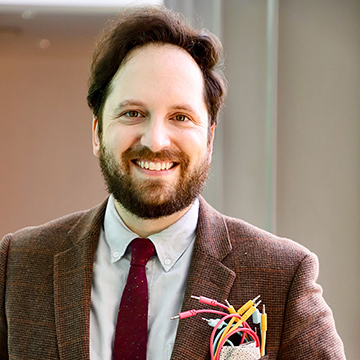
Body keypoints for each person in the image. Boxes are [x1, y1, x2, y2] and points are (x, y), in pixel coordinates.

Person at [0, 6, 345, 360]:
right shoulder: (18, 265)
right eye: (133, 113)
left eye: (180, 117)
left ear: (209, 139)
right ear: (97, 132)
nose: (156, 140)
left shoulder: (283, 276)